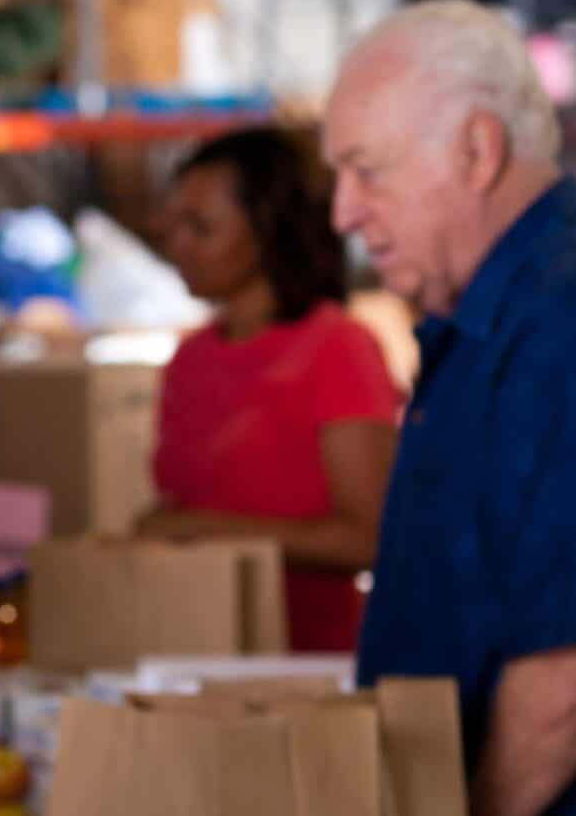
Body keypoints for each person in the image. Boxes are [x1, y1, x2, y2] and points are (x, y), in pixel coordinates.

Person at [327, 0, 576, 816]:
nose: (345, 211)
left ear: (477, 150)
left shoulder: (571, 321)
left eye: (366, 169)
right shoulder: (491, 318)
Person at [141, 127, 400, 652]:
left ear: (268, 232)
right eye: (172, 226)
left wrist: (209, 534)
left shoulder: (337, 349)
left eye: (201, 227)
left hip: (310, 662)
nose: (178, 245)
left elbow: (371, 538)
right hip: (195, 647)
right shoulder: (189, 359)